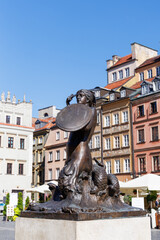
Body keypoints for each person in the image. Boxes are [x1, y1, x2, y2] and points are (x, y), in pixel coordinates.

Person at [58, 89, 96, 197]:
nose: (78, 98)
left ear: (88, 99)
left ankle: (73, 195)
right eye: (77, 96)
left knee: (73, 170)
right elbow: (67, 120)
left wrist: (77, 119)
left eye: (81, 96)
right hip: (71, 145)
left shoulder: (91, 110)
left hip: (81, 145)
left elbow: (87, 127)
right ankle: (63, 194)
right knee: (67, 168)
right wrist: (68, 106)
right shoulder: (79, 111)